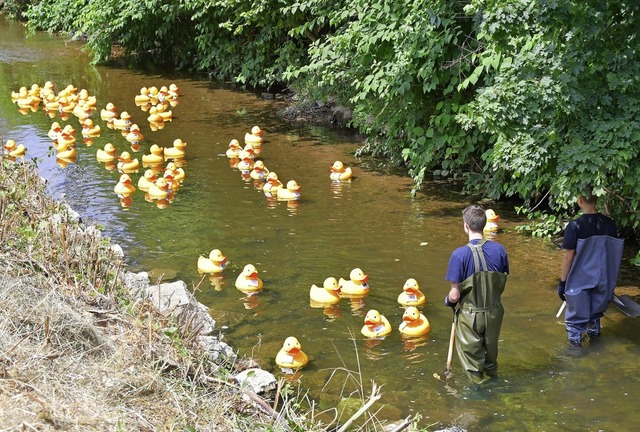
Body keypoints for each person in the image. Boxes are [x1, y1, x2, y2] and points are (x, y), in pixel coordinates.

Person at [444, 205, 509, 384]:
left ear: (466, 226)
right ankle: (495, 385)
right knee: (491, 358)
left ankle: (478, 400)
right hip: (495, 313)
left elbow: (455, 295)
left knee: (473, 363)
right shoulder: (500, 250)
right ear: (484, 224)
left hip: (470, 316)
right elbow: (502, 282)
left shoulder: (459, 255)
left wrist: (448, 301)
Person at [558, 194, 623, 346]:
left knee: (575, 323)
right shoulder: (610, 224)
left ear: (580, 200)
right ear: (597, 199)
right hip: (604, 278)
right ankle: (596, 350)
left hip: (580, 280)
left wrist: (562, 282)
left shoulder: (575, 226)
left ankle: (575, 355)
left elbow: (569, 257)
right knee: (595, 317)